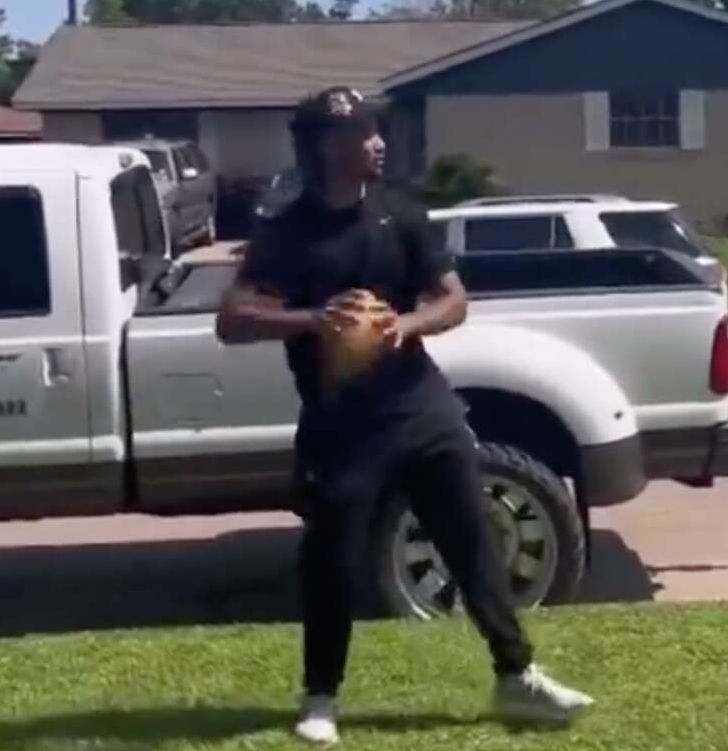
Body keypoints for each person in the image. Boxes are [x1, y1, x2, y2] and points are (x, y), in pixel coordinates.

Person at [216, 86, 594, 746]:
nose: (378, 141)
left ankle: (518, 676)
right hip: (342, 422)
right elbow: (233, 319)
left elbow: (453, 299)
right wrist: (315, 320)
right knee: (331, 555)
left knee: (471, 537)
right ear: (325, 146)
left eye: (376, 129)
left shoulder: (401, 214)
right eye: (362, 132)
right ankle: (321, 699)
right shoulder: (287, 231)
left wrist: (406, 324)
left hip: (422, 405)